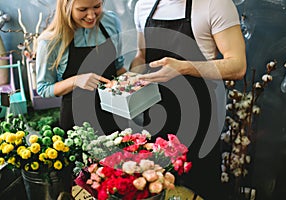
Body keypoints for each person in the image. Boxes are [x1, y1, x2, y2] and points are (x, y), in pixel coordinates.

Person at [130, 0, 247, 199]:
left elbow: (237, 66)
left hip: (199, 115)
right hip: (156, 111)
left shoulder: (216, 4)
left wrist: (182, 67)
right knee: (158, 184)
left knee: (201, 183)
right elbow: (142, 55)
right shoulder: (144, 5)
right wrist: (130, 79)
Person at [36, 0, 127, 133]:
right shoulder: (50, 42)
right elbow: (43, 88)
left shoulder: (111, 22)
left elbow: (119, 68)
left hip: (116, 114)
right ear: (66, 8)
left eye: (97, 6)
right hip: (77, 121)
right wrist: (75, 81)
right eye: (82, 10)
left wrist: (136, 82)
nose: (91, 16)